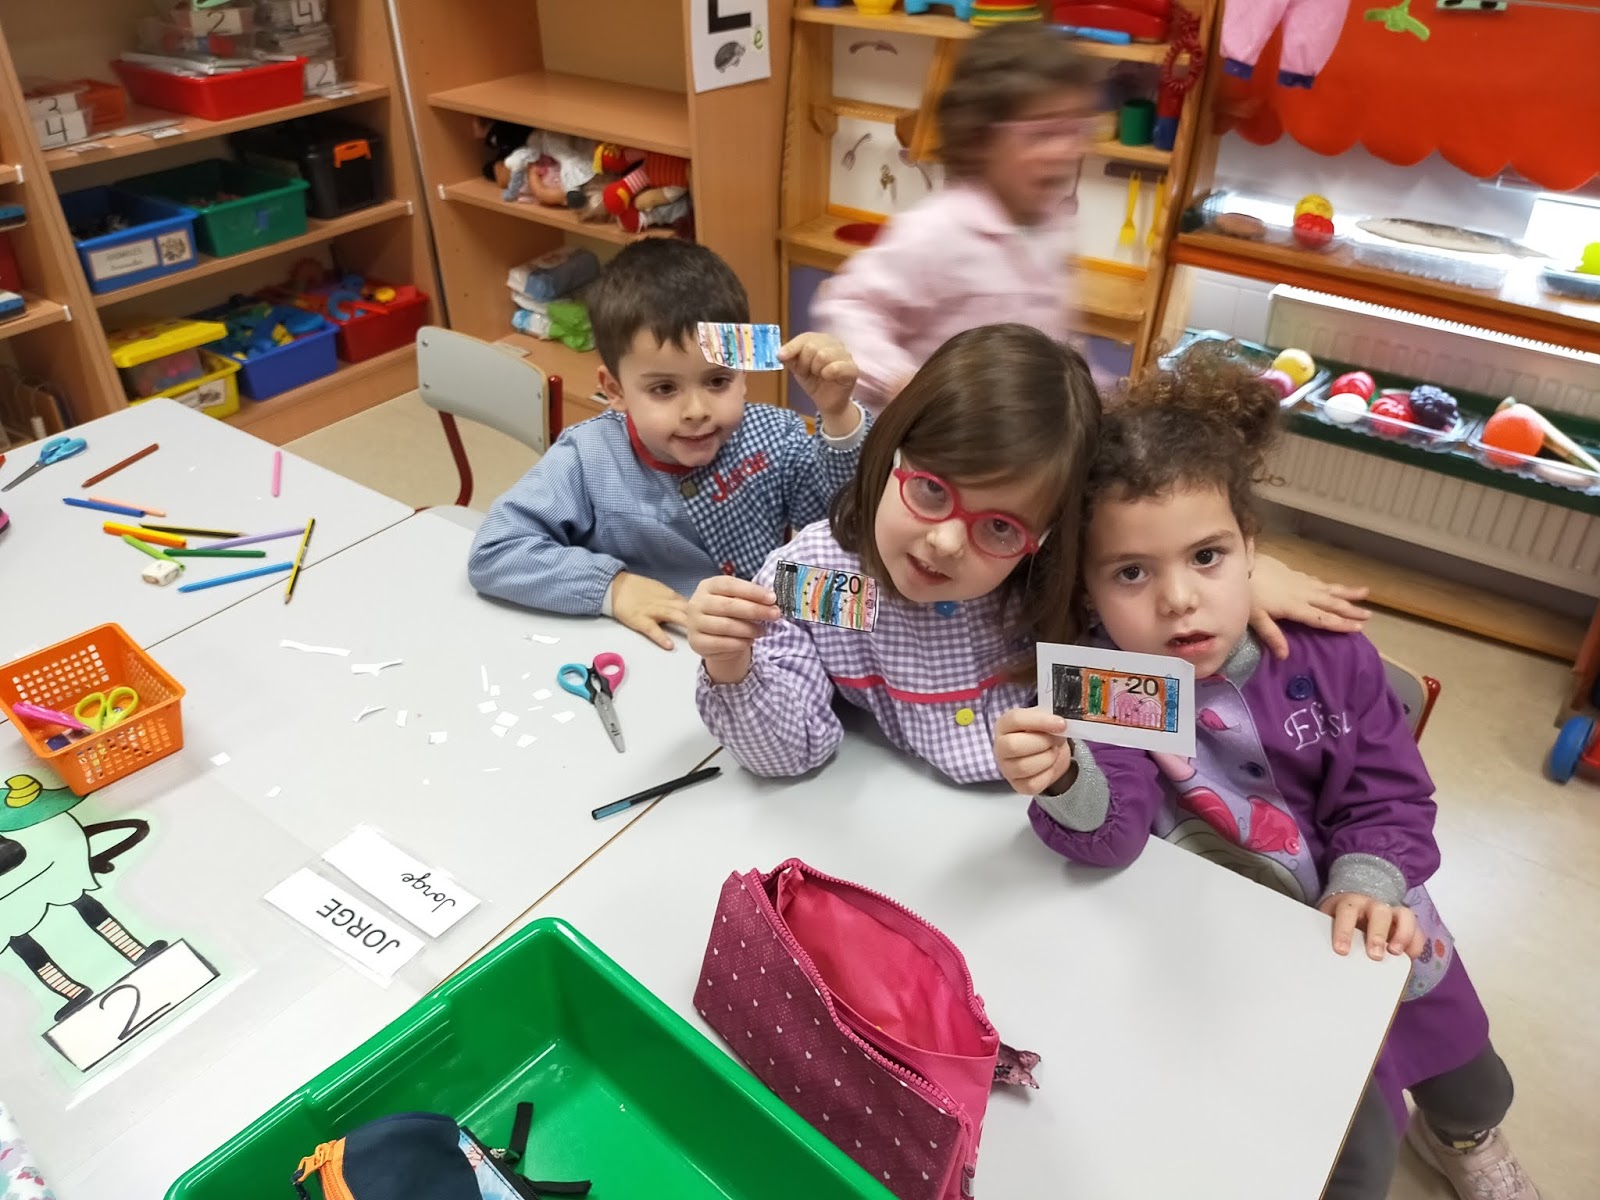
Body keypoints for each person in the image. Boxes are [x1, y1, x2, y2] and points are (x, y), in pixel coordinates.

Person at [999, 345, 1536, 1200]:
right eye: (1132, 572)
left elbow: (1391, 795)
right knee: (1335, 1138)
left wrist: (1367, 881)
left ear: (1253, 550)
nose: (1178, 599)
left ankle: (1465, 1136)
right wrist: (1063, 777)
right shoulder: (1110, 681)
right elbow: (1113, 837)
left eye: (1207, 557)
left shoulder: (1327, 656)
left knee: (1465, 1074)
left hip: (1381, 927)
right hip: (1243, 958)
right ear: (1087, 589)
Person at [686, 324, 1373, 786]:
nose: (945, 541)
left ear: (1046, 538)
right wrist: (732, 665)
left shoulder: (1058, 584)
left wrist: (1236, 577)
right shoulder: (833, 588)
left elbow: (1171, 718)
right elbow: (788, 755)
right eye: (930, 489)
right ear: (889, 451)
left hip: (1073, 838)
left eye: (999, 527)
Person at [468, 239, 870, 649]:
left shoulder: (774, 433)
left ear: (743, 375)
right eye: (664, 388)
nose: (696, 411)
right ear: (615, 390)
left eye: (718, 381)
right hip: (663, 641)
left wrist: (838, 414)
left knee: (878, 612)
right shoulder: (588, 456)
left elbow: (849, 523)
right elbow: (495, 551)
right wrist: (614, 588)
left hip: (768, 614)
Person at [811, 23, 1097, 410]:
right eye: (1044, 133)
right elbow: (847, 307)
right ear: (979, 138)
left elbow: (1061, 339)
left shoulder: (1054, 224)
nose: (1067, 150)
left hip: (1020, 434)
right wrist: (904, 383)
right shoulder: (936, 231)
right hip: (938, 437)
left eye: (1076, 129)